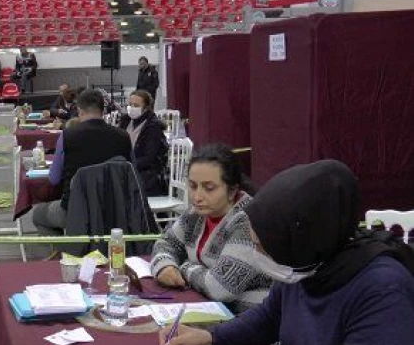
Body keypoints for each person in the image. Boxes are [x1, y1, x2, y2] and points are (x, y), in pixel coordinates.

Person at [160, 160, 414, 345]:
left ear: (299, 239)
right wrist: (209, 337)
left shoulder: (383, 290)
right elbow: (270, 317)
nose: (258, 255)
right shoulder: (306, 264)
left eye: (262, 246)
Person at [151, 144, 269, 314]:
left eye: (209, 188)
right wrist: (165, 266)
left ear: (232, 190)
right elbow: (167, 242)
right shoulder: (196, 213)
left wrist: (183, 267)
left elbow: (220, 287)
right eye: (192, 186)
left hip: (247, 319)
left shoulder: (247, 222)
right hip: (207, 307)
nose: (197, 196)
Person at [33, 89, 132, 235]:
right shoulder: (123, 137)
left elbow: (54, 179)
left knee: (38, 215)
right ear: (103, 110)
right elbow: (131, 174)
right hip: (115, 209)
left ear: (79, 110)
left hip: (76, 209)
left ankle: (69, 249)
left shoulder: (67, 136)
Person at [118, 90, 168, 196]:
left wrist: (128, 166)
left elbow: (149, 158)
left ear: (145, 108)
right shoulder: (125, 120)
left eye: (136, 105)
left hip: (146, 173)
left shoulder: (153, 126)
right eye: (130, 104)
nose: (131, 108)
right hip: (125, 168)